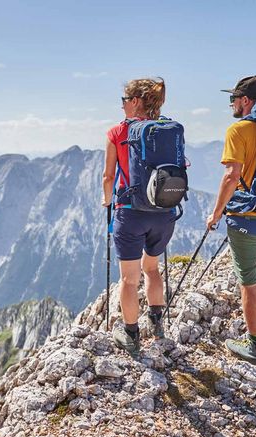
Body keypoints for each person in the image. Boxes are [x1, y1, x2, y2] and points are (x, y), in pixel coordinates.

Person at [206, 75, 256, 363]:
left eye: (233, 99)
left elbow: (231, 176)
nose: (232, 104)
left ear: (246, 101)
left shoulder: (239, 130)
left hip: (248, 215)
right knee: (253, 245)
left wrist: (215, 213)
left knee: (245, 281)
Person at [102, 78, 175, 355]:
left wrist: (107, 200)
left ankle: (131, 334)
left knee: (129, 279)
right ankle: (156, 322)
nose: (122, 105)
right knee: (152, 268)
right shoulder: (167, 129)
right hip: (163, 211)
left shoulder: (117, 132)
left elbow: (109, 176)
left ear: (135, 101)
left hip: (130, 213)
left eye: (124, 100)